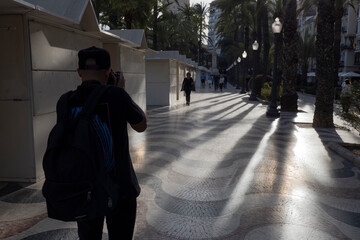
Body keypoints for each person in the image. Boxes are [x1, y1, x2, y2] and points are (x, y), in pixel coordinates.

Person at [61, 46, 146, 239]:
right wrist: (120, 91)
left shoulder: (65, 102)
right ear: (108, 72)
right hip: (120, 187)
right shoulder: (117, 96)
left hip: (84, 187)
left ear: (79, 72)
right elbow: (141, 125)